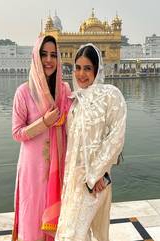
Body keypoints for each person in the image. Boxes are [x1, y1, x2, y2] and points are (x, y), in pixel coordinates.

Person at [55, 44, 127, 241]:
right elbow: (73, 148)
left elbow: (116, 138)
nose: (81, 74)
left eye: (87, 68)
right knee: (70, 232)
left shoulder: (110, 95)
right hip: (74, 181)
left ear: (97, 69)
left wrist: (96, 175)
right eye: (77, 68)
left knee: (74, 234)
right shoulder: (75, 103)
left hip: (96, 182)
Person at [12, 35, 72, 241]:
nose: (48, 60)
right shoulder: (24, 92)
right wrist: (44, 123)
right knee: (33, 218)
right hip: (33, 169)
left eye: (53, 55)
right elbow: (17, 132)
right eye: (43, 54)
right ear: (35, 57)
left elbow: (72, 128)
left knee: (57, 219)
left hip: (58, 167)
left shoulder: (64, 90)